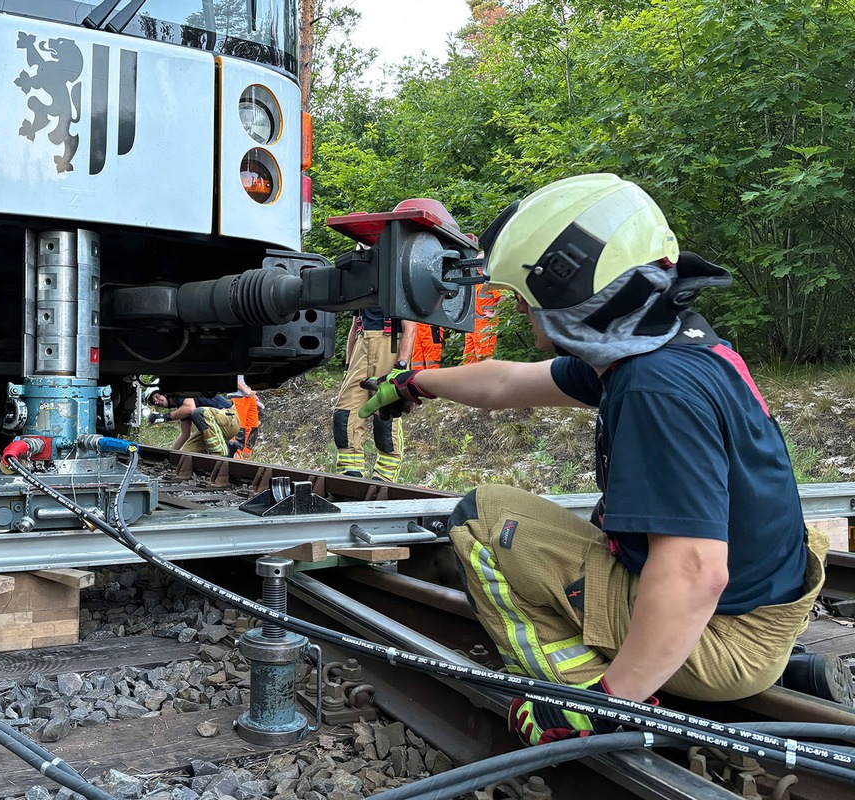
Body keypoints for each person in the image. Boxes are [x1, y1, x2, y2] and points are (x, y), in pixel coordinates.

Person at [358, 173, 848, 746]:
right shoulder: (668, 345)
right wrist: (417, 381)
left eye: (523, 292)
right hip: (761, 615)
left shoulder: (653, 387)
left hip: (721, 637)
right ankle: (695, 672)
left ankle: (577, 692)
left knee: (483, 519)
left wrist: (610, 704)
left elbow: (695, 572)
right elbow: (507, 382)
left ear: (570, 291)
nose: (519, 307)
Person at [332, 306, 416, 482]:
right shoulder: (363, 286)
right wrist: (348, 365)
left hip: (390, 343)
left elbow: (410, 327)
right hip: (362, 345)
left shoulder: (396, 282)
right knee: (346, 410)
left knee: (386, 412)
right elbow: (355, 326)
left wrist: (401, 365)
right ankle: (350, 473)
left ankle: (384, 475)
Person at [146, 390, 241, 457]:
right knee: (185, 454)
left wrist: (164, 417)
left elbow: (190, 408)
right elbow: (185, 434)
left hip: (229, 419)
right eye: (155, 402)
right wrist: (173, 455)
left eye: (157, 397)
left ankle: (220, 455)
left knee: (199, 412)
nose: (157, 401)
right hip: (217, 427)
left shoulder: (181, 392)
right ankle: (228, 447)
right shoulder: (182, 407)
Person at [230, 375, 264, 460]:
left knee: (253, 429)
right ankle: (235, 462)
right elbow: (230, 376)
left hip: (250, 397)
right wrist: (244, 389)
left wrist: (253, 395)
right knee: (239, 430)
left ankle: (246, 461)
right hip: (237, 396)